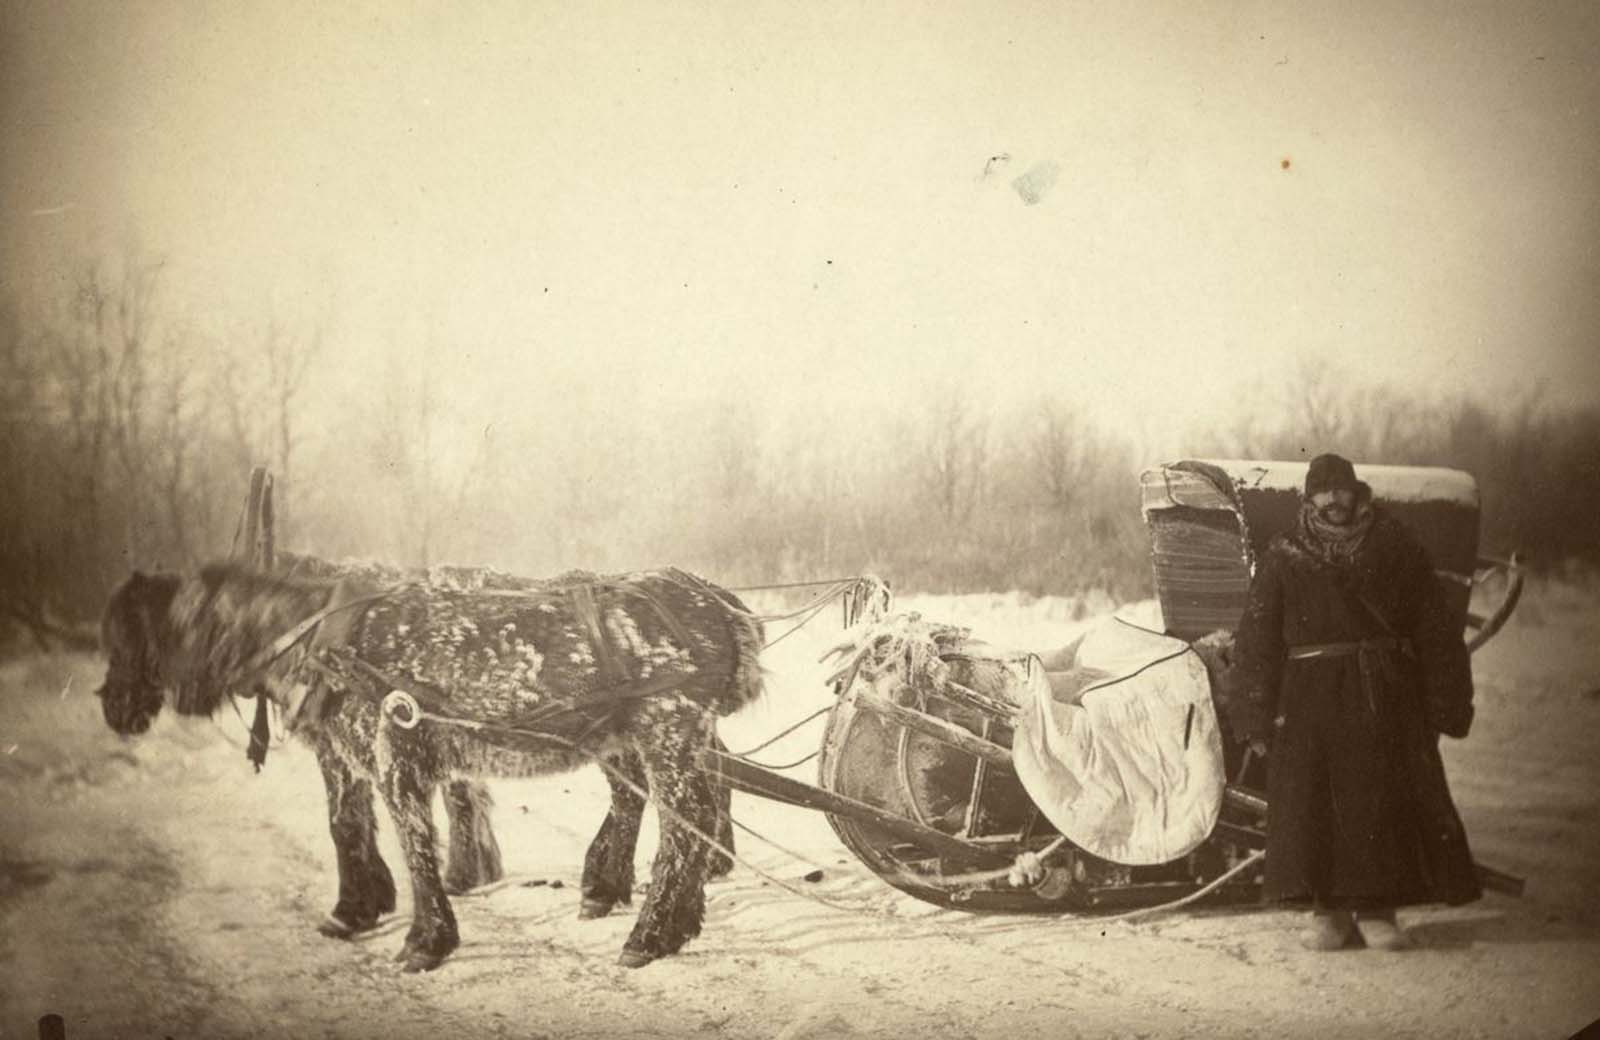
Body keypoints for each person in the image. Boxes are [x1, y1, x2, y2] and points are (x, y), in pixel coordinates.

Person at [1230, 453, 1482, 951]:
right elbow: (1256, 638)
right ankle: (1329, 913)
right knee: (1316, 804)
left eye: (1341, 490)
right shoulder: (1284, 555)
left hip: (1381, 694)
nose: (1333, 501)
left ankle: (1376, 911)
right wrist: (1255, 716)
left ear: (1357, 492)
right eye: (1322, 492)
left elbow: (1435, 628)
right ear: (1309, 499)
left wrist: (1446, 700)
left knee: (1377, 802)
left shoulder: (1394, 546)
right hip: (1309, 701)